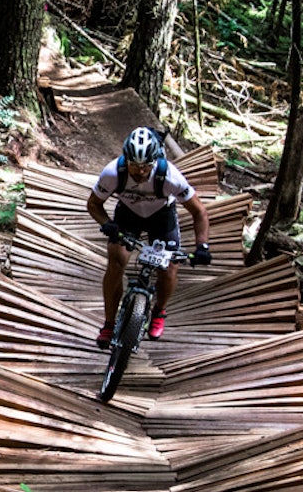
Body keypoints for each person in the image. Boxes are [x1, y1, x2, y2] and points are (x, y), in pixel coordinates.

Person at [85, 127, 211, 348]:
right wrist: (107, 224)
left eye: (145, 166)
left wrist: (203, 245)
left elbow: (199, 211)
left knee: (169, 267)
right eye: (134, 165)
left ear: (155, 160)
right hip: (128, 215)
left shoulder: (170, 175)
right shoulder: (113, 172)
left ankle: (159, 310)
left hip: (161, 217)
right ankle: (109, 324)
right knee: (116, 261)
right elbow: (94, 204)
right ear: (126, 159)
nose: (140, 171)